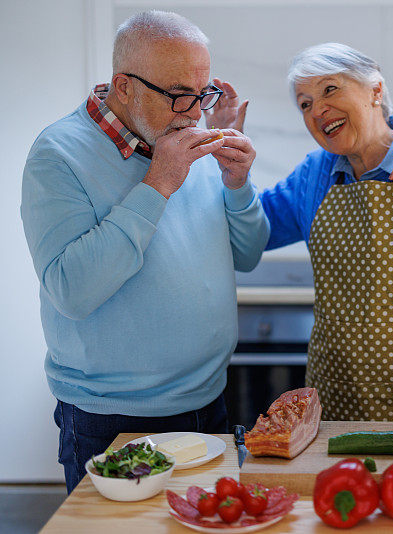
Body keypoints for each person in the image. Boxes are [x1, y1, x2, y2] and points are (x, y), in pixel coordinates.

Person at [20, 11, 268, 493]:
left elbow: (248, 253)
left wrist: (237, 184)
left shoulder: (183, 136)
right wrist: (157, 185)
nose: (194, 113)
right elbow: (72, 291)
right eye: (178, 95)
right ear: (125, 86)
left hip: (209, 403)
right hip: (110, 419)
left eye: (203, 94)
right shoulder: (57, 154)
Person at [213, 43, 393, 422]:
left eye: (330, 89)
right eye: (305, 103)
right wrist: (231, 168)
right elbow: (252, 231)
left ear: (375, 90)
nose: (317, 109)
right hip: (340, 395)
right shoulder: (316, 173)